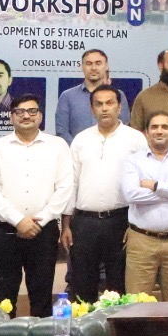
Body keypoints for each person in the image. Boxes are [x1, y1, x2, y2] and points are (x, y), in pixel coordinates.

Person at [0, 93, 73, 316]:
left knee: (42, 297)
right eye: (19, 112)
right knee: (3, 300)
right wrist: (18, 220)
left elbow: (65, 188)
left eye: (32, 111)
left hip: (44, 231)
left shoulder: (57, 146)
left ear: (40, 116)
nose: (26, 116)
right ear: (11, 117)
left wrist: (40, 220)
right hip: (4, 232)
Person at [63, 86, 147, 300]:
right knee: (82, 286)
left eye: (110, 103)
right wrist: (65, 225)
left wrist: (135, 224)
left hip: (121, 221)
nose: (104, 108)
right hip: (84, 223)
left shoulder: (135, 139)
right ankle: (86, 321)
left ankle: (117, 323)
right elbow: (71, 183)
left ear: (119, 107)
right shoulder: (81, 140)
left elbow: (143, 184)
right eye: (99, 104)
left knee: (119, 285)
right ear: (92, 109)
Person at [121, 111, 168, 300]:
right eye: (154, 127)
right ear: (146, 133)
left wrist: (155, 186)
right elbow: (132, 195)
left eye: (165, 127)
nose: (159, 131)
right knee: (136, 304)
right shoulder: (133, 160)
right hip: (142, 241)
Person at [55, 49, 129, 142]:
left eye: (98, 63)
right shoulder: (67, 96)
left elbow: (124, 127)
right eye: (89, 64)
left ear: (106, 66)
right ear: (82, 67)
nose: (94, 68)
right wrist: (79, 147)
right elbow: (62, 132)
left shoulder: (119, 95)